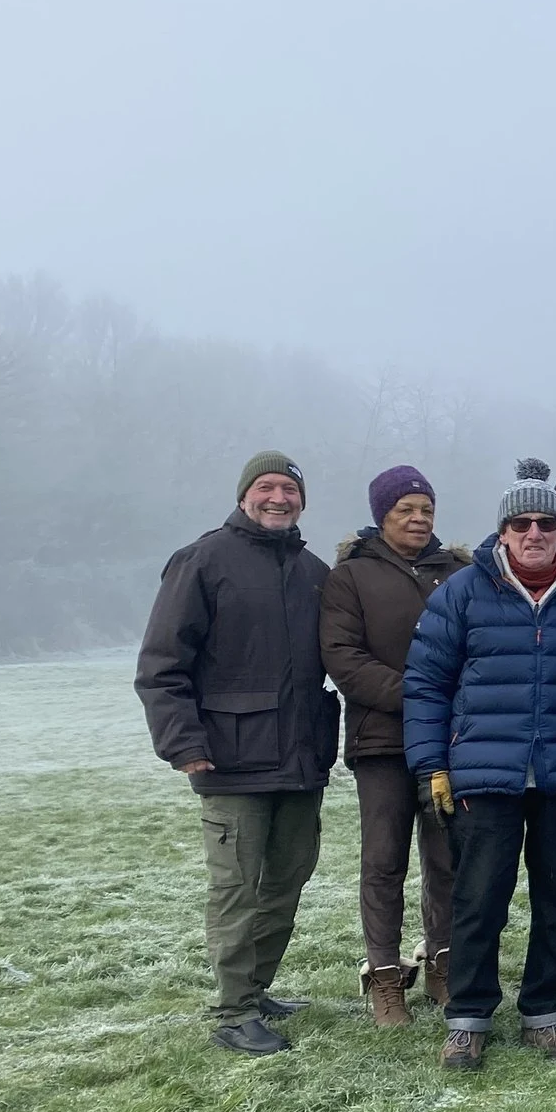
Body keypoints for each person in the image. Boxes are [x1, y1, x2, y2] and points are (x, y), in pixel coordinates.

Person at [403, 461, 556, 1071]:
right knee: (479, 898)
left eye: (545, 522)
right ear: (503, 530)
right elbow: (428, 684)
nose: (533, 532)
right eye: (521, 522)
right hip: (485, 774)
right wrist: (431, 762)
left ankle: (543, 1010)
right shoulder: (461, 592)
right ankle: (468, 1017)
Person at [137, 451, 340, 1056]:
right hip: (229, 762)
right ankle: (233, 1012)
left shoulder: (314, 571)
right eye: (267, 487)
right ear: (245, 493)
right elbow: (161, 665)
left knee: (285, 881)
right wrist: (183, 743)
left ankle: (256, 988)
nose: (279, 498)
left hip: (301, 761)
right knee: (236, 888)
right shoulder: (201, 561)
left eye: (290, 490)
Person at [319, 464, 469, 1027]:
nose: (418, 517)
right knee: (383, 862)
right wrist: (421, 695)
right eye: (405, 508)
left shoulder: (458, 572)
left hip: (449, 743)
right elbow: (344, 657)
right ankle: (385, 979)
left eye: (426, 508)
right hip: (380, 740)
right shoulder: (350, 577)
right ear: (382, 514)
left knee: (446, 858)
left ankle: (444, 964)